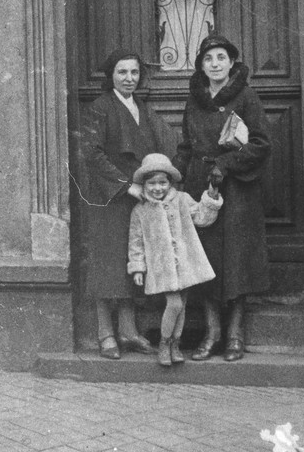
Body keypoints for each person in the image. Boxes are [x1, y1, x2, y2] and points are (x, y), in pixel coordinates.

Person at [174, 34, 272, 362]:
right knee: (206, 260)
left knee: (238, 260)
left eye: (221, 58)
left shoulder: (246, 96)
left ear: (231, 62)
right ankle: (211, 331)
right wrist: (175, 180)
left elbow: (260, 143)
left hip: (239, 189)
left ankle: (234, 335)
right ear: (201, 66)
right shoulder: (194, 101)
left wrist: (226, 164)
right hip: (202, 190)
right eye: (208, 59)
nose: (215, 64)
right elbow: (186, 145)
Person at [79, 52, 168, 359]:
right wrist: (125, 184)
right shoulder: (101, 107)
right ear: (111, 76)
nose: (129, 78)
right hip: (109, 197)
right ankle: (106, 334)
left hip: (137, 197)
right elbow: (91, 153)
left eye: (134, 72)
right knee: (107, 264)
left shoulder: (141, 107)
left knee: (130, 262)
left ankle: (129, 332)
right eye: (122, 72)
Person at [127, 153, 223, 366]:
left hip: (185, 264)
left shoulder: (181, 199)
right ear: (144, 184)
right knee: (174, 303)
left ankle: (175, 345)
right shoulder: (140, 210)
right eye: (152, 183)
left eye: (163, 182)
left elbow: (202, 217)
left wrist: (211, 198)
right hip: (162, 268)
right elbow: (136, 242)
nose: (158, 188)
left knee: (182, 305)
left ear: (170, 182)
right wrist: (138, 269)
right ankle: (164, 343)